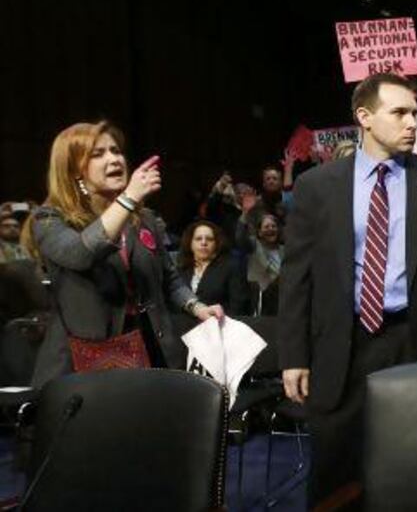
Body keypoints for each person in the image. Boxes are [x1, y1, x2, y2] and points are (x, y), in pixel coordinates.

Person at [278, 72, 417, 508]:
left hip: (416, 339)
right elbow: (297, 278)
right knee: (335, 473)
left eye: (415, 113)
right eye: (400, 113)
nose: (412, 123)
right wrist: (293, 355)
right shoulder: (316, 186)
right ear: (365, 117)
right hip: (341, 346)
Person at [24, 121, 223, 387]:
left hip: (150, 347)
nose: (114, 159)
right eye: (98, 154)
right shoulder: (49, 219)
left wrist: (198, 308)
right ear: (74, 170)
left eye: (115, 151)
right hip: (84, 360)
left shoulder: (146, 219)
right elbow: (80, 254)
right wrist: (128, 197)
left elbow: (169, 278)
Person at [176, 220, 250, 316]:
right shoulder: (181, 268)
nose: (204, 243)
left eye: (209, 239)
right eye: (198, 239)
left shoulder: (231, 267)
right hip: (183, 326)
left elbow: (238, 307)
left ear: (216, 243)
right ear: (190, 243)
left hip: (220, 324)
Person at [236, 211, 283, 316]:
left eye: (273, 226)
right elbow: (240, 238)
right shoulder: (254, 245)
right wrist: (245, 213)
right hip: (258, 297)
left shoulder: (284, 250)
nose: (270, 229)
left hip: (280, 298)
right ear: (260, 232)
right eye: (266, 227)